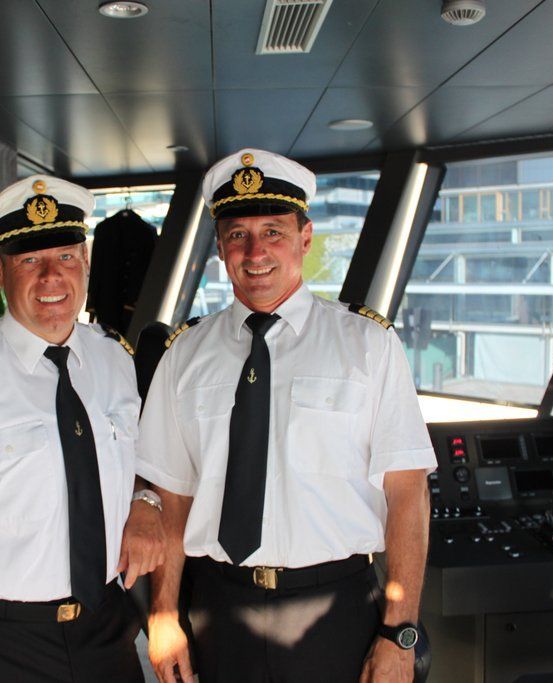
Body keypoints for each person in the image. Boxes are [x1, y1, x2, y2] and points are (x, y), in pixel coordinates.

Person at [138, 149, 436, 683]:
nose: (255, 252)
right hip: (218, 610)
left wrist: (399, 630)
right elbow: (173, 497)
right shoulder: (184, 354)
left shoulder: (368, 345)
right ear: (220, 248)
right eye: (237, 235)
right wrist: (163, 613)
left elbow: (407, 491)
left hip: (337, 611)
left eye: (273, 232)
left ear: (305, 237)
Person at [0, 175, 165, 683]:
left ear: (85, 261)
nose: (51, 277)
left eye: (65, 257)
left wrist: (144, 502)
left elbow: (132, 465)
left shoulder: (115, 359)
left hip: (107, 627)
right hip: (3, 643)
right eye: (30, 261)